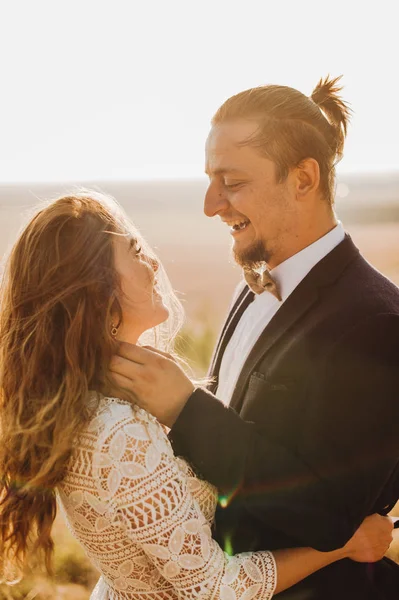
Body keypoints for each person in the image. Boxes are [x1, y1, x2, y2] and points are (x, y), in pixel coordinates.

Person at [0, 193, 392, 599]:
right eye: (134, 251)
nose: (152, 262)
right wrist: (344, 544)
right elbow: (214, 589)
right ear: (97, 290)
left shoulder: (91, 398)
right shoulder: (119, 432)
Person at [109, 77, 399, 599]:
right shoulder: (258, 284)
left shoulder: (377, 322)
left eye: (231, 181)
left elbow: (330, 510)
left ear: (304, 179)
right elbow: (245, 412)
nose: (211, 203)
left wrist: (185, 407)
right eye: (209, 179)